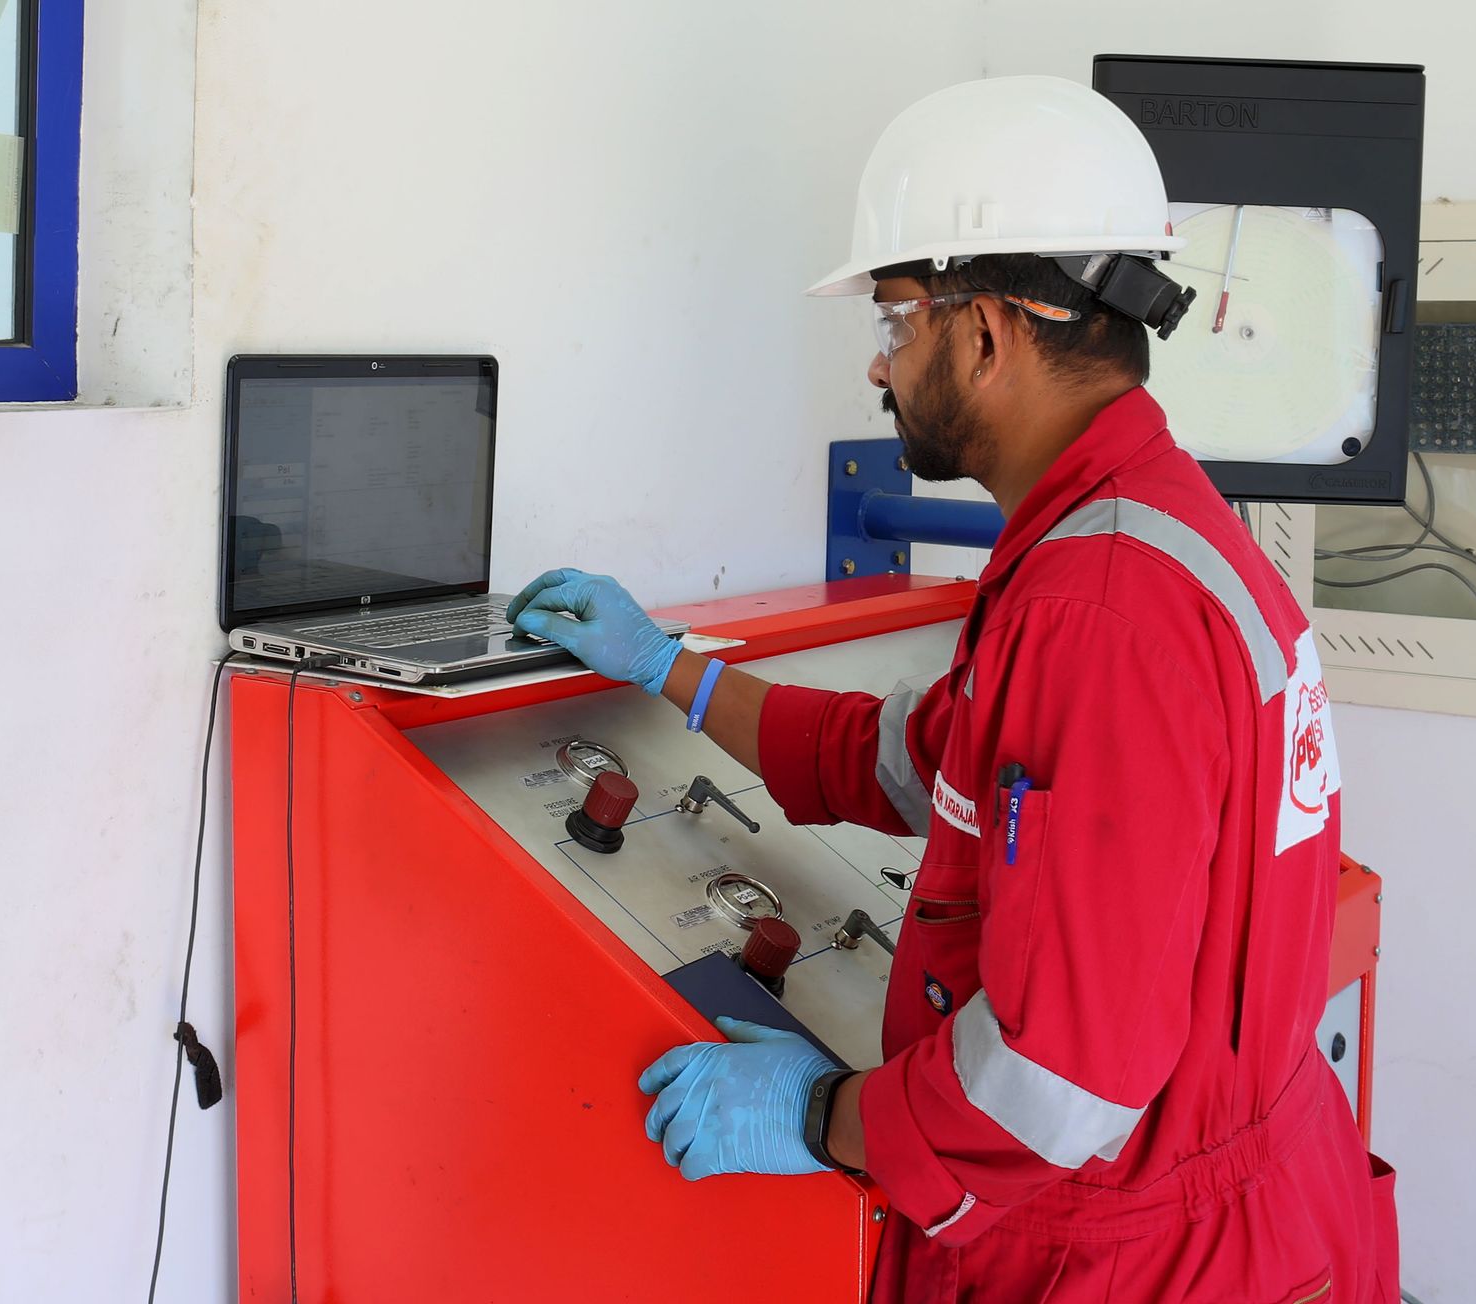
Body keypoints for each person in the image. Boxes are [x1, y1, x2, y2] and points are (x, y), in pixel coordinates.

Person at [505, 75, 1398, 1304]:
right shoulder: (1135, 529)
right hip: (1222, 1197)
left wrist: (823, 1110)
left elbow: (1058, 1082)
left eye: (894, 323)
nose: (880, 371)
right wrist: (672, 669)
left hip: (1132, 1258)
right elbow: (921, 760)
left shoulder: (1101, 610)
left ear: (986, 333)